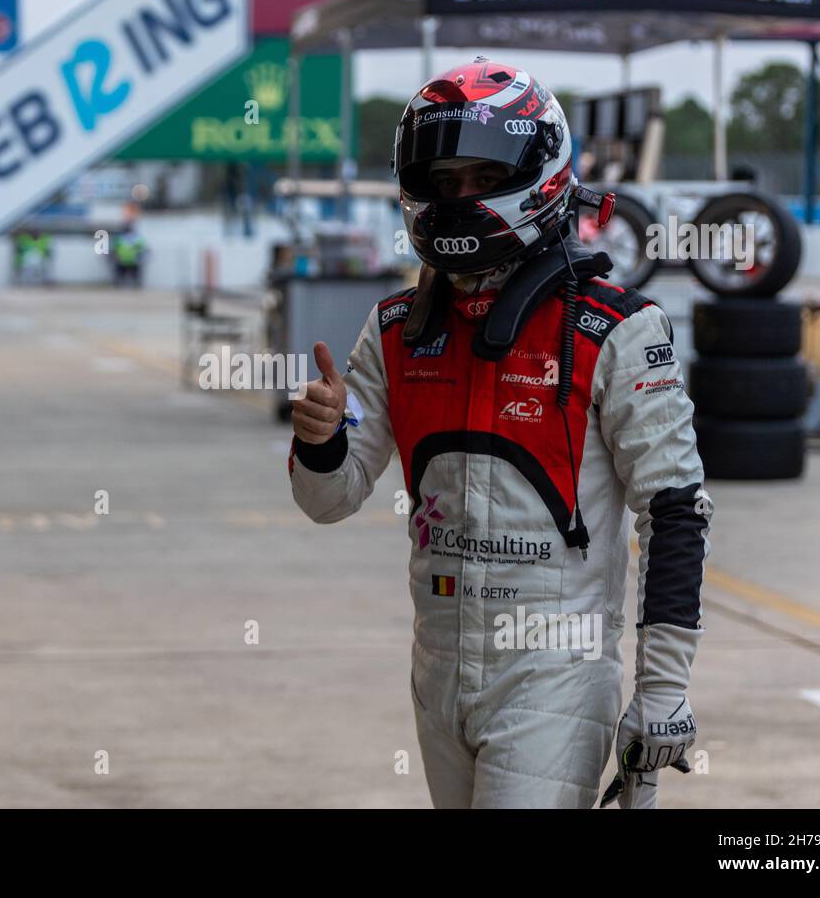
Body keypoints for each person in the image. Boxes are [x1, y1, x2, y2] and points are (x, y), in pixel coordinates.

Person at [287, 58, 711, 809]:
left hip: (555, 671)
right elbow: (331, 498)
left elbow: (675, 509)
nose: (458, 200)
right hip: (439, 666)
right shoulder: (393, 329)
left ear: (536, 172)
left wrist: (663, 690)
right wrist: (321, 439)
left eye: (480, 178)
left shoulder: (616, 326)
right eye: (441, 184)